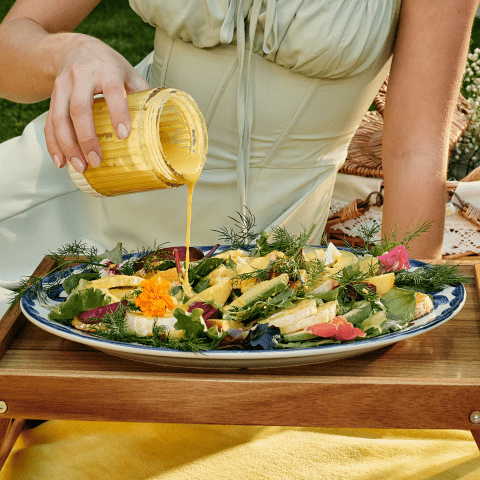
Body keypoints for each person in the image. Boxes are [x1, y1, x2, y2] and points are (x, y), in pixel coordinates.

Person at [1, 1, 480, 479]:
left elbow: (414, 150)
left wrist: (402, 309)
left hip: (259, 279)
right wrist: (70, 52)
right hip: (71, 196)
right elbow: (12, 47)